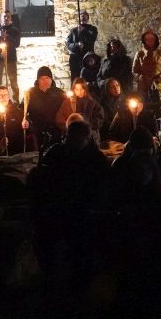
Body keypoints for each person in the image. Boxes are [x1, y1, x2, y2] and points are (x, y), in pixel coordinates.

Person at [28, 117, 109, 289]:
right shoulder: (58, 152)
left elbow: (104, 186)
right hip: (60, 209)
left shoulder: (95, 158)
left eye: (79, 140)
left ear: (87, 139)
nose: (75, 143)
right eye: (72, 139)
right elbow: (42, 178)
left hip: (84, 211)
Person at [23, 66, 67, 147]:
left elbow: (66, 110)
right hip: (37, 132)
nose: (45, 81)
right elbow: (22, 110)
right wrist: (26, 120)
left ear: (51, 79)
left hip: (56, 131)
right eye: (42, 78)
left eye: (47, 78)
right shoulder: (30, 93)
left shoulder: (60, 93)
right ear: (38, 80)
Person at [0, 12, 22, 101]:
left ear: (11, 19)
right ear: (1, 18)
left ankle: (16, 102)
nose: (6, 18)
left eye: (8, 17)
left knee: (13, 82)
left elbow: (17, 44)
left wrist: (7, 36)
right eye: (4, 16)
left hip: (11, 60)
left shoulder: (15, 31)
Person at [131, 29, 161, 105]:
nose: (149, 41)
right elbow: (134, 70)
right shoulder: (139, 54)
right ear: (144, 40)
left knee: (160, 107)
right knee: (143, 107)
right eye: (147, 39)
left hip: (158, 87)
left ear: (155, 40)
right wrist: (140, 77)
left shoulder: (160, 53)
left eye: (151, 39)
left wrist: (159, 77)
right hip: (143, 88)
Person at [65, 10, 98, 80]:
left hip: (87, 59)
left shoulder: (92, 29)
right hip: (75, 60)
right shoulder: (73, 30)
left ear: (88, 18)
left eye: (84, 16)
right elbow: (68, 44)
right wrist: (77, 45)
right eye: (81, 16)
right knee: (75, 79)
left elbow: (92, 39)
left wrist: (83, 30)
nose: (83, 18)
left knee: (88, 79)